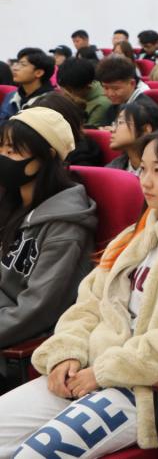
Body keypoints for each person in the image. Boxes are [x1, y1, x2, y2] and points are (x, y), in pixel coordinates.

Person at [0, 124, 158, 456]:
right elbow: (87, 305)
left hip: (140, 386)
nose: (146, 181)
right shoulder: (133, 236)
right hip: (86, 369)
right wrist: (66, 353)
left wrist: (103, 372)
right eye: (143, 168)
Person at [0, 107, 97, 353]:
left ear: (47, 156)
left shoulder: (65, 226)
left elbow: (36, 310)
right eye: (0, 148)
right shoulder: (10, 201)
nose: (2, 157)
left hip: (18, 342)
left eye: (12, 151)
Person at [94, 56, 158, 128]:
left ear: (132, 84)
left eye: (116, 89)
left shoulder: (145, 110)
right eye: (106, 88)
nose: (110, 94)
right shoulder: (114, 106)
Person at [106, 102, 158, 176]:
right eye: (115, 123)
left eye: (120, 122)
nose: (112, 129)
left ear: (145, 130)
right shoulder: (115, 166)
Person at [0, 49, 56, 124]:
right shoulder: (11, 96)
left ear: (39, 73)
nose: (15, 68)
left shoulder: (52, 102)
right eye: (18, 63)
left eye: (23, 65)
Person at [55, 58, 111, 128]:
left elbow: (87, 131)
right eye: (62, 88)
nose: (65, 93)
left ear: (87, 87)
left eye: (69, 90)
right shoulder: (63, 95)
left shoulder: (102, 103)